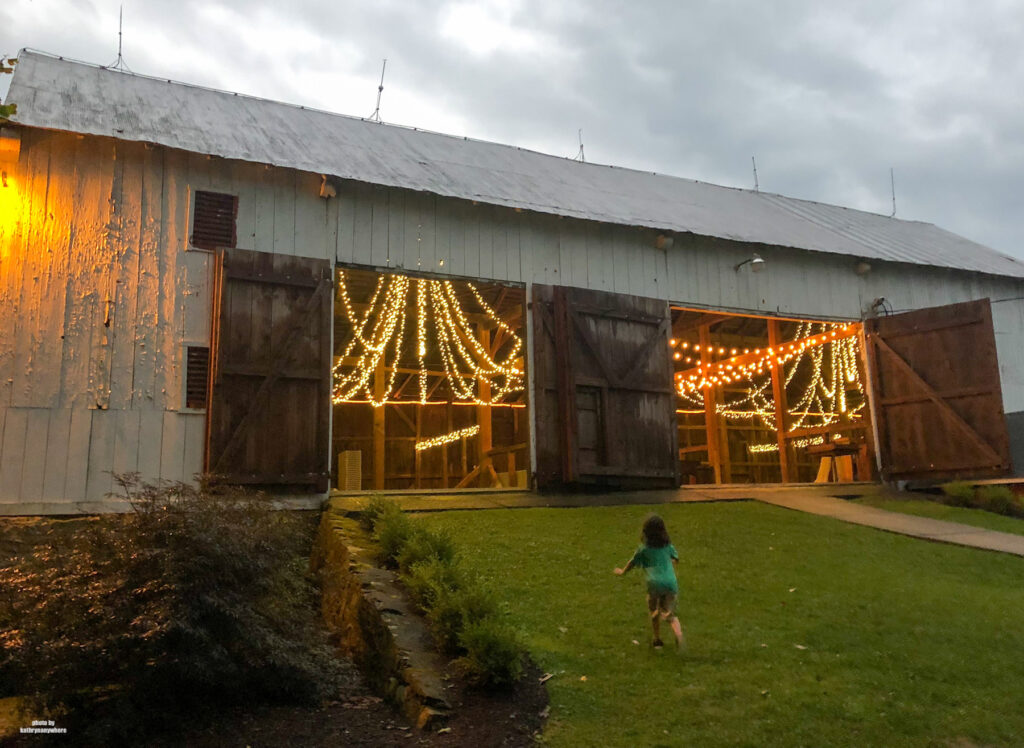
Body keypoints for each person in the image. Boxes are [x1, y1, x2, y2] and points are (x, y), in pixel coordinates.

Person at [614, 513, 685, 651]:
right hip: (670, 583)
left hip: (654, 584)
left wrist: (622, 571)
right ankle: (678, 633)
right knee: (669, 613)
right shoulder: (668, 547)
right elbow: (675, 559)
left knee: (653, 610)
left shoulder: (644, 549)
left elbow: (633, 562)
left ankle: (657, 640)